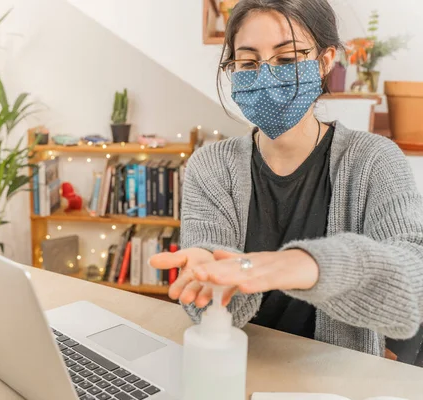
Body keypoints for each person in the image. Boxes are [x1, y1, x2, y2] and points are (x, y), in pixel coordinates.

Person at [150, 0, 423, 361]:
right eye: (248, 63)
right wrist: (212, 283)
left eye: (288, 59)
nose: (265, 76)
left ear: (325, 61)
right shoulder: (211, 166)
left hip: (333, 376)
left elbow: (412, 279)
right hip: (234, 366)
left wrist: (312, 265)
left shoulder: (375, 160)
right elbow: (208, 308)